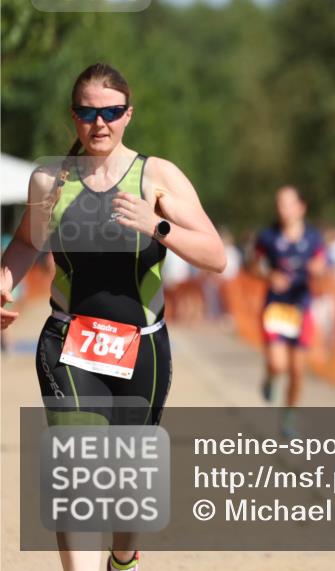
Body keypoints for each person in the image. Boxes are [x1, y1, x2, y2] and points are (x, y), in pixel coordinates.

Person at [0, 62, 227, 571]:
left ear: (128, 114)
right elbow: (25, 244)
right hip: (69, 342)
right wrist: (2, 283)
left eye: (110, 112)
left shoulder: (157, 176)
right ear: (73, 117)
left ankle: (123, 556)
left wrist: (159, 224)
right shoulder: (50, 178)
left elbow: (215, 255)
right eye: (87, 111)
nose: (99, 123)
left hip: (142, 347)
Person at [252, 186, 326, 437]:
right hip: (276, 308)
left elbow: (323, 264)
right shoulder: (268, 236)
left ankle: (289, 417)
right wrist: (269, 275)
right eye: (279, 204)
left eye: (287, 203)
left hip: (301, 308)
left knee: (297, 370)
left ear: (300, 207)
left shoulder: (314, 238)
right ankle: (270, 378)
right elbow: (254, 264)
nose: (282, 209)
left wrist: (318, 269)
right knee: (278, 363)